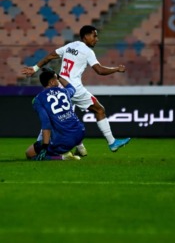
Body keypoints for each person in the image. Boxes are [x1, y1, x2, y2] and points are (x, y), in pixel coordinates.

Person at [21, 25, 131, 155]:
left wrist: (34, 68)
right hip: (73, 88)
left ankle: (74, 148)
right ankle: (112, 142)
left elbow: (50, 56)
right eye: (94, 36)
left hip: (60, 86)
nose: (97, 39)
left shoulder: (70, 46)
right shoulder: (87, 51)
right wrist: (117, 69)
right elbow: (99, 70)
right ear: (86, 36)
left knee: (55, 118)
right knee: (99, 110)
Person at [26, 68, 84, 161]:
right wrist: (58, 75)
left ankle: (63, 157)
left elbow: (46, 124)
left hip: (63, 140)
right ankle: (77, 148)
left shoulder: (38, 99)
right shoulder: (65, 92)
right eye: (56, 79)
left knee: (29, 154)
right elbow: (72, 88)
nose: (58, 80)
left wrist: (44, 147)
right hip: (79, 134)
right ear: (52, 82)